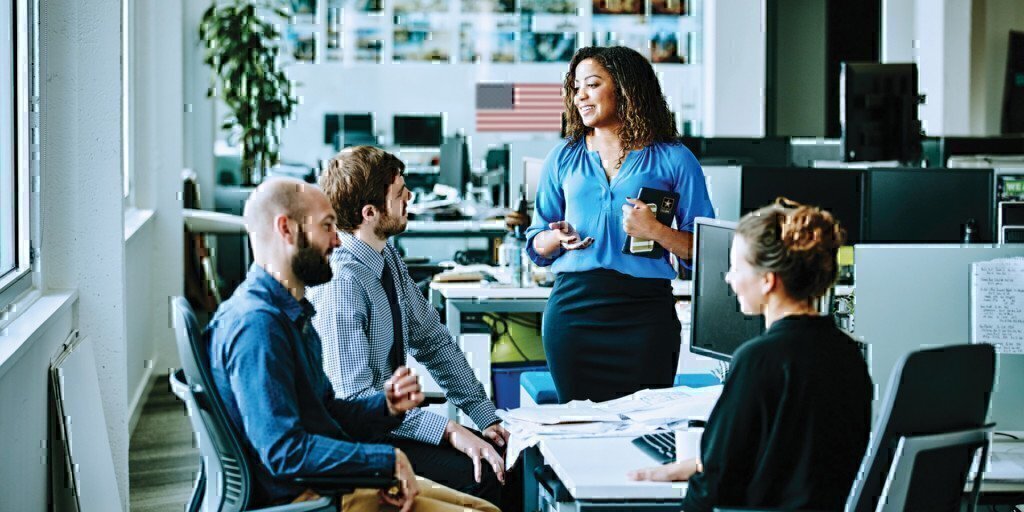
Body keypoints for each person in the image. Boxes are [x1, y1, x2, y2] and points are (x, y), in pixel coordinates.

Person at [206, 177, 498, 512]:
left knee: (486, 506)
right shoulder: (258, 326)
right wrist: (381, 460)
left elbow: (324, 411)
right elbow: (285, 452)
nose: (337, 241)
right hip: (311, 497)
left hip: (330, 482)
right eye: (327, 227)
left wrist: (385, 406)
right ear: (286, 229)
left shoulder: (289, 310)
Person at [628, 198, 872, 512]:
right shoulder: (847, 352)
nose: (729, 279)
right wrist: (699, 463)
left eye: (736, 268)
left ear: (767, 281)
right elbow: (794, 457)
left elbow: (715, 484)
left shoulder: (759, 360)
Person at [309, 147, 510, 507]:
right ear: (370, 214)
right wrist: (449, 430)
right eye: (400, 193)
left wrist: (484, 417)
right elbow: (355, 401)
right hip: (362, 442)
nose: (411, 197)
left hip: (389, 425)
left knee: (503, 459)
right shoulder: (342, 283)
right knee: (484, 478)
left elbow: (434, 341)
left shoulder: (387, 258)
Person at [524, 46, 715, 403]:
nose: (580, 95)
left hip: (645, 317)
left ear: (626, 89)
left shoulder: (674, 158)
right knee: (579, 428)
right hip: (574, 314)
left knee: (647, 430)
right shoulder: (564, 156)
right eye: (576, 87)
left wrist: (656, 231)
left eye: (592, 84)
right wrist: (556, 237)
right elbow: (535, 242)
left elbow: (706, 251)